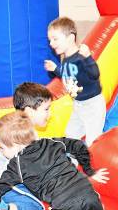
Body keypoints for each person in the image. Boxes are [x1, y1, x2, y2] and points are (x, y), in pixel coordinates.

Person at [0, 82, 54, 210]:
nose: (50, 113)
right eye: (46, 109)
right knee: (38, 209)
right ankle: (6, 208)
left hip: (1, 176)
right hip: (5, 180)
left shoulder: (20, 129)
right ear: (29, 111)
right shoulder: (18, 133)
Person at [44, 17, 106, 146]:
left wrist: (88, 58)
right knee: (71, 134)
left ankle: (92, 164)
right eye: (50, 40)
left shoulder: (81, 57)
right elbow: (67, 75)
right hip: (78, 105)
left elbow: (95, 75)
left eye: (55, 39)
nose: (51, 43)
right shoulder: (66, 59)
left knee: (92, 140)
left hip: (92, 105)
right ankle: (73, 162)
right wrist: (55, 69)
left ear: (71, 38)